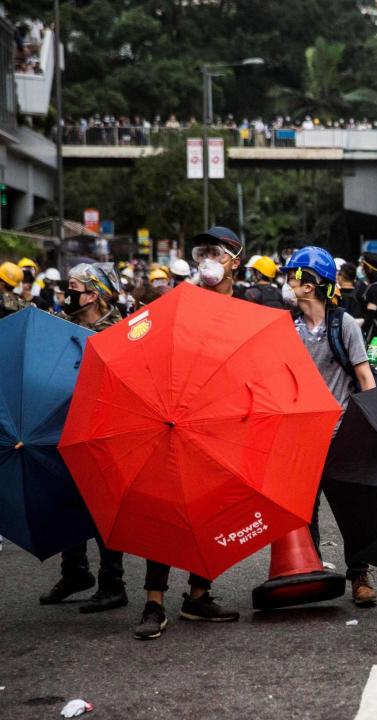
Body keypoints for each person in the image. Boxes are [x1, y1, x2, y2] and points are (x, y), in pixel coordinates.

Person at [135, 227, 243, 640]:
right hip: (175, 418)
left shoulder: (250, 306)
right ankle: (153, 602)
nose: (207, 259)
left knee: (214, 508)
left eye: (217, 252)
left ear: (236, 260)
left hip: (223, 424)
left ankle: (199, 594)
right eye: (202, 252)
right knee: (165, 509)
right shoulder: (178, 303)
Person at [280, 246, 377, 606]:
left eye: (295, 276)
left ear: (313, 284)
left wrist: (370, 426)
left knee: (350, 507)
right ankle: (310, 570)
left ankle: (359, 575)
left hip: (340, 432)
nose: (289, 282)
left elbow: (364, 377)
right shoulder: (287, 327)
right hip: (301, 434)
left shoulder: (344, 324)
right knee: (305, 510)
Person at [39, 263, 127, 614]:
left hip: (106, 430)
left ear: (92, 294)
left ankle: (113, 583)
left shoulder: (121, 331)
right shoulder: (64, 328)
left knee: (104, 506)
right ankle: (75, 572)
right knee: (66, 498)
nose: (67, 292)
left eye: (73, 286)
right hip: (66, 424)